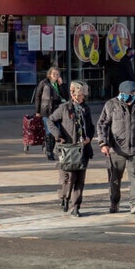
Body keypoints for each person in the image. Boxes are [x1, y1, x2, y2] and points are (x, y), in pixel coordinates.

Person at [97, 79, 135, 216]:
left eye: (134, 93)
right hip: (116, 149)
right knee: (114, 179)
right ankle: (114, 202)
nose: (132, 95)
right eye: (129, 93)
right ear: (121, 93)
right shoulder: (111, 105)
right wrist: (103, 143)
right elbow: (102, 125)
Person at [51, 80, 95, 215]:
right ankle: (64, 198)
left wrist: (89, 137)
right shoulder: (64, 108)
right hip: (68, 149)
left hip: (83, 149)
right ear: (73, 94)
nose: (83, 98)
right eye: (80, 95)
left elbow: (91, 127)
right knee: (68, 178)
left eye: (83, 95)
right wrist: (58, 136)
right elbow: (50, 120)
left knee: (80, 180)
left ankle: (76, 206)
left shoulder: (86, 109)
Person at [32, 64, 65, 160]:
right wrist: (37, 111)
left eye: (58, 74)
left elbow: (66, 96)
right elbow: (37, 97)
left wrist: (61, 85)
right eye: (54, 73)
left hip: (57, 111)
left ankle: (48, 147)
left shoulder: (59, 84)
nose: (56, 75)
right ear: (49, 74)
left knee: (57, 131)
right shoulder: (44, 83)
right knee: (49, 131)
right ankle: (49, 152)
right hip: (46, 110)